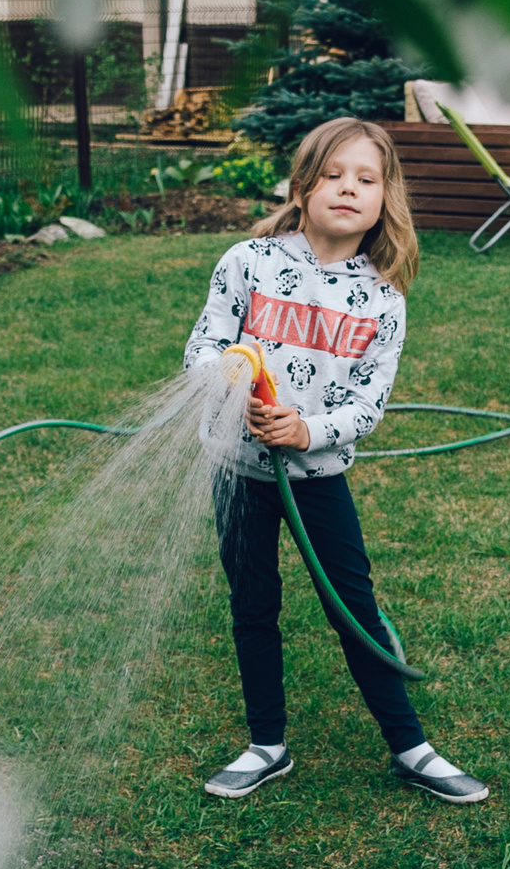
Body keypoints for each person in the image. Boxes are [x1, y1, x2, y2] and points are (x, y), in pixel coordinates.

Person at [182, 117, 489, 805]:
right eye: (333, 175)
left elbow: (368, 405)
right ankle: (266, 744)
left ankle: (410, 747)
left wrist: (306, 429)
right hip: (237, 470)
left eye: (366, 179)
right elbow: (203, 347)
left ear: (384, 200)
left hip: (317, 477)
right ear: (301, 188)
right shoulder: (249, 262)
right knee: (252, 604)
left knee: (353, 608)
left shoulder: (383, 297)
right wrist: (230, 381)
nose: (348, 188)